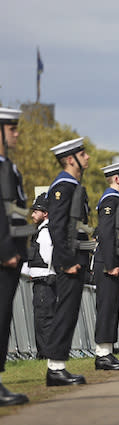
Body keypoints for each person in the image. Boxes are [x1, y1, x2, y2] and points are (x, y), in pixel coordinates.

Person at [45, 137, 94, 386]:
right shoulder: (63, 186)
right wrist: (66, 261)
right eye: (82, 154)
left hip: (76, 258)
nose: (87, 158)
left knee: (70, 311)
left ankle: (58, 365)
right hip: (69, 260)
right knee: (64, 311)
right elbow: (57, 226)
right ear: (69, 159)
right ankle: (55, 367)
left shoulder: (73, 185)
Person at [0, 107, 33, 404]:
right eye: (11, 129)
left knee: (4, 316)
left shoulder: (8, 167)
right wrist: (5, 251)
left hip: (12, 255)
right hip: (4, 256)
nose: (17, 134)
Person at [93, 161, 119, 370]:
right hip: (107, 263)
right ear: (117, 178)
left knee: (112, 308)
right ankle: (102, 355)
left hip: (114, 262)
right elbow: (107, 234)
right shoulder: (111, 200)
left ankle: (107, 351)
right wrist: (110, 264)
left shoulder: (117, 200)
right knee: (106, 307)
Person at [21, 192, 54, 358]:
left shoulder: (45, 232)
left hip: (45, 283)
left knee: (44, 319)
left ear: (45, 213)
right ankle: (45, 352)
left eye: (36, 211)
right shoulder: (40, 231)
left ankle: (45, 354)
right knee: (43, 319)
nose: (32, 214)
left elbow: (48, 258)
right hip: (42, 282)